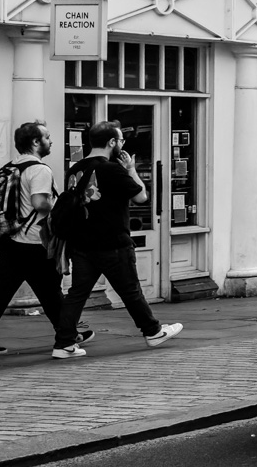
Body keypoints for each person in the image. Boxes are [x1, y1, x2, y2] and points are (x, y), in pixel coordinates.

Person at [51, 122, 182, 358]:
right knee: (131, 291)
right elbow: (141, 196)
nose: (122, 144)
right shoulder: (111, 169)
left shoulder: (74, 170)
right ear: (112, 142)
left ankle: (63, 344)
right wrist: (131, 169)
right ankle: (153, 332)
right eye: (121, 140)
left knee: (77, 294)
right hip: (112, 243)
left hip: (81, 244)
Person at [0, 122, 92, 356]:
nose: (50, 141)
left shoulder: (12, 166)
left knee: (9, 289)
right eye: (47, 137)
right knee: (50, 290)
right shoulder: (39, 170)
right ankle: (67, 335)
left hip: (10, 239)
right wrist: (61, 208)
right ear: (36, 142)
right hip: (34, 241)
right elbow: (40, 203)